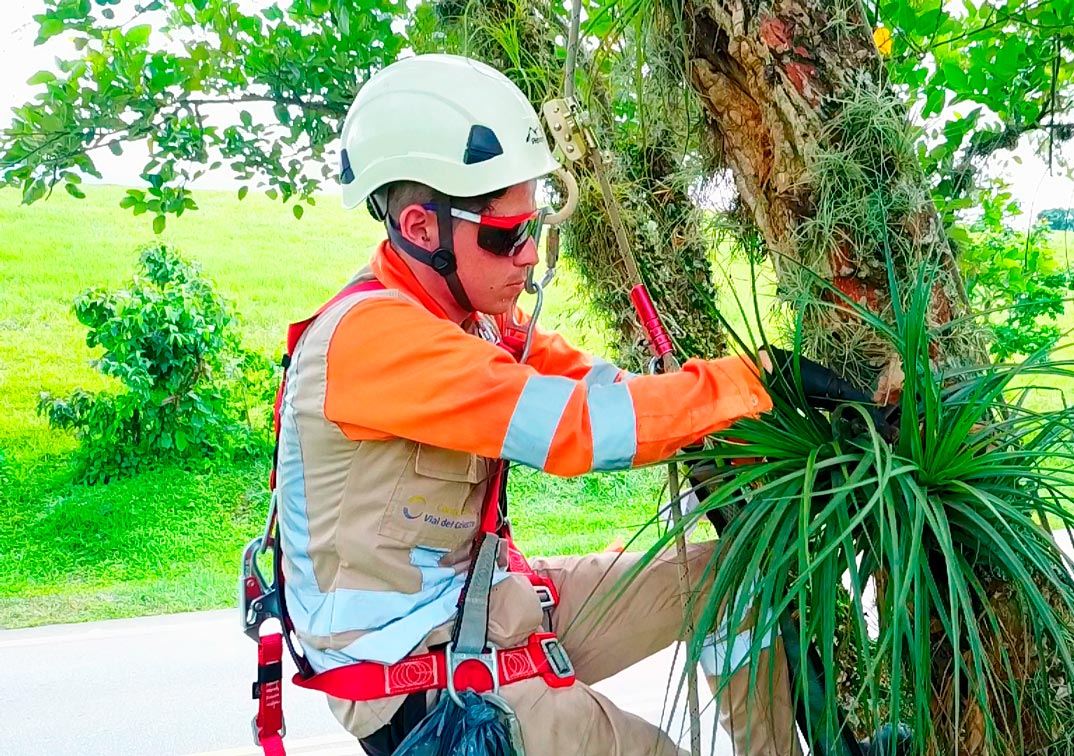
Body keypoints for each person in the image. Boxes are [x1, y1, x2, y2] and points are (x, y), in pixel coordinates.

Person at [274, 53, 858, 756]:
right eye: (506, 235)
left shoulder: (472, 321)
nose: (528, 256)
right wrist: (757, 381)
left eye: (533, 227)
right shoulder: (375, 341)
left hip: (482, 609)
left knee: (730, 581)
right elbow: (573, 429)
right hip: (422, 684)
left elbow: (602, 393)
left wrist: (726, 402)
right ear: (423, 229)